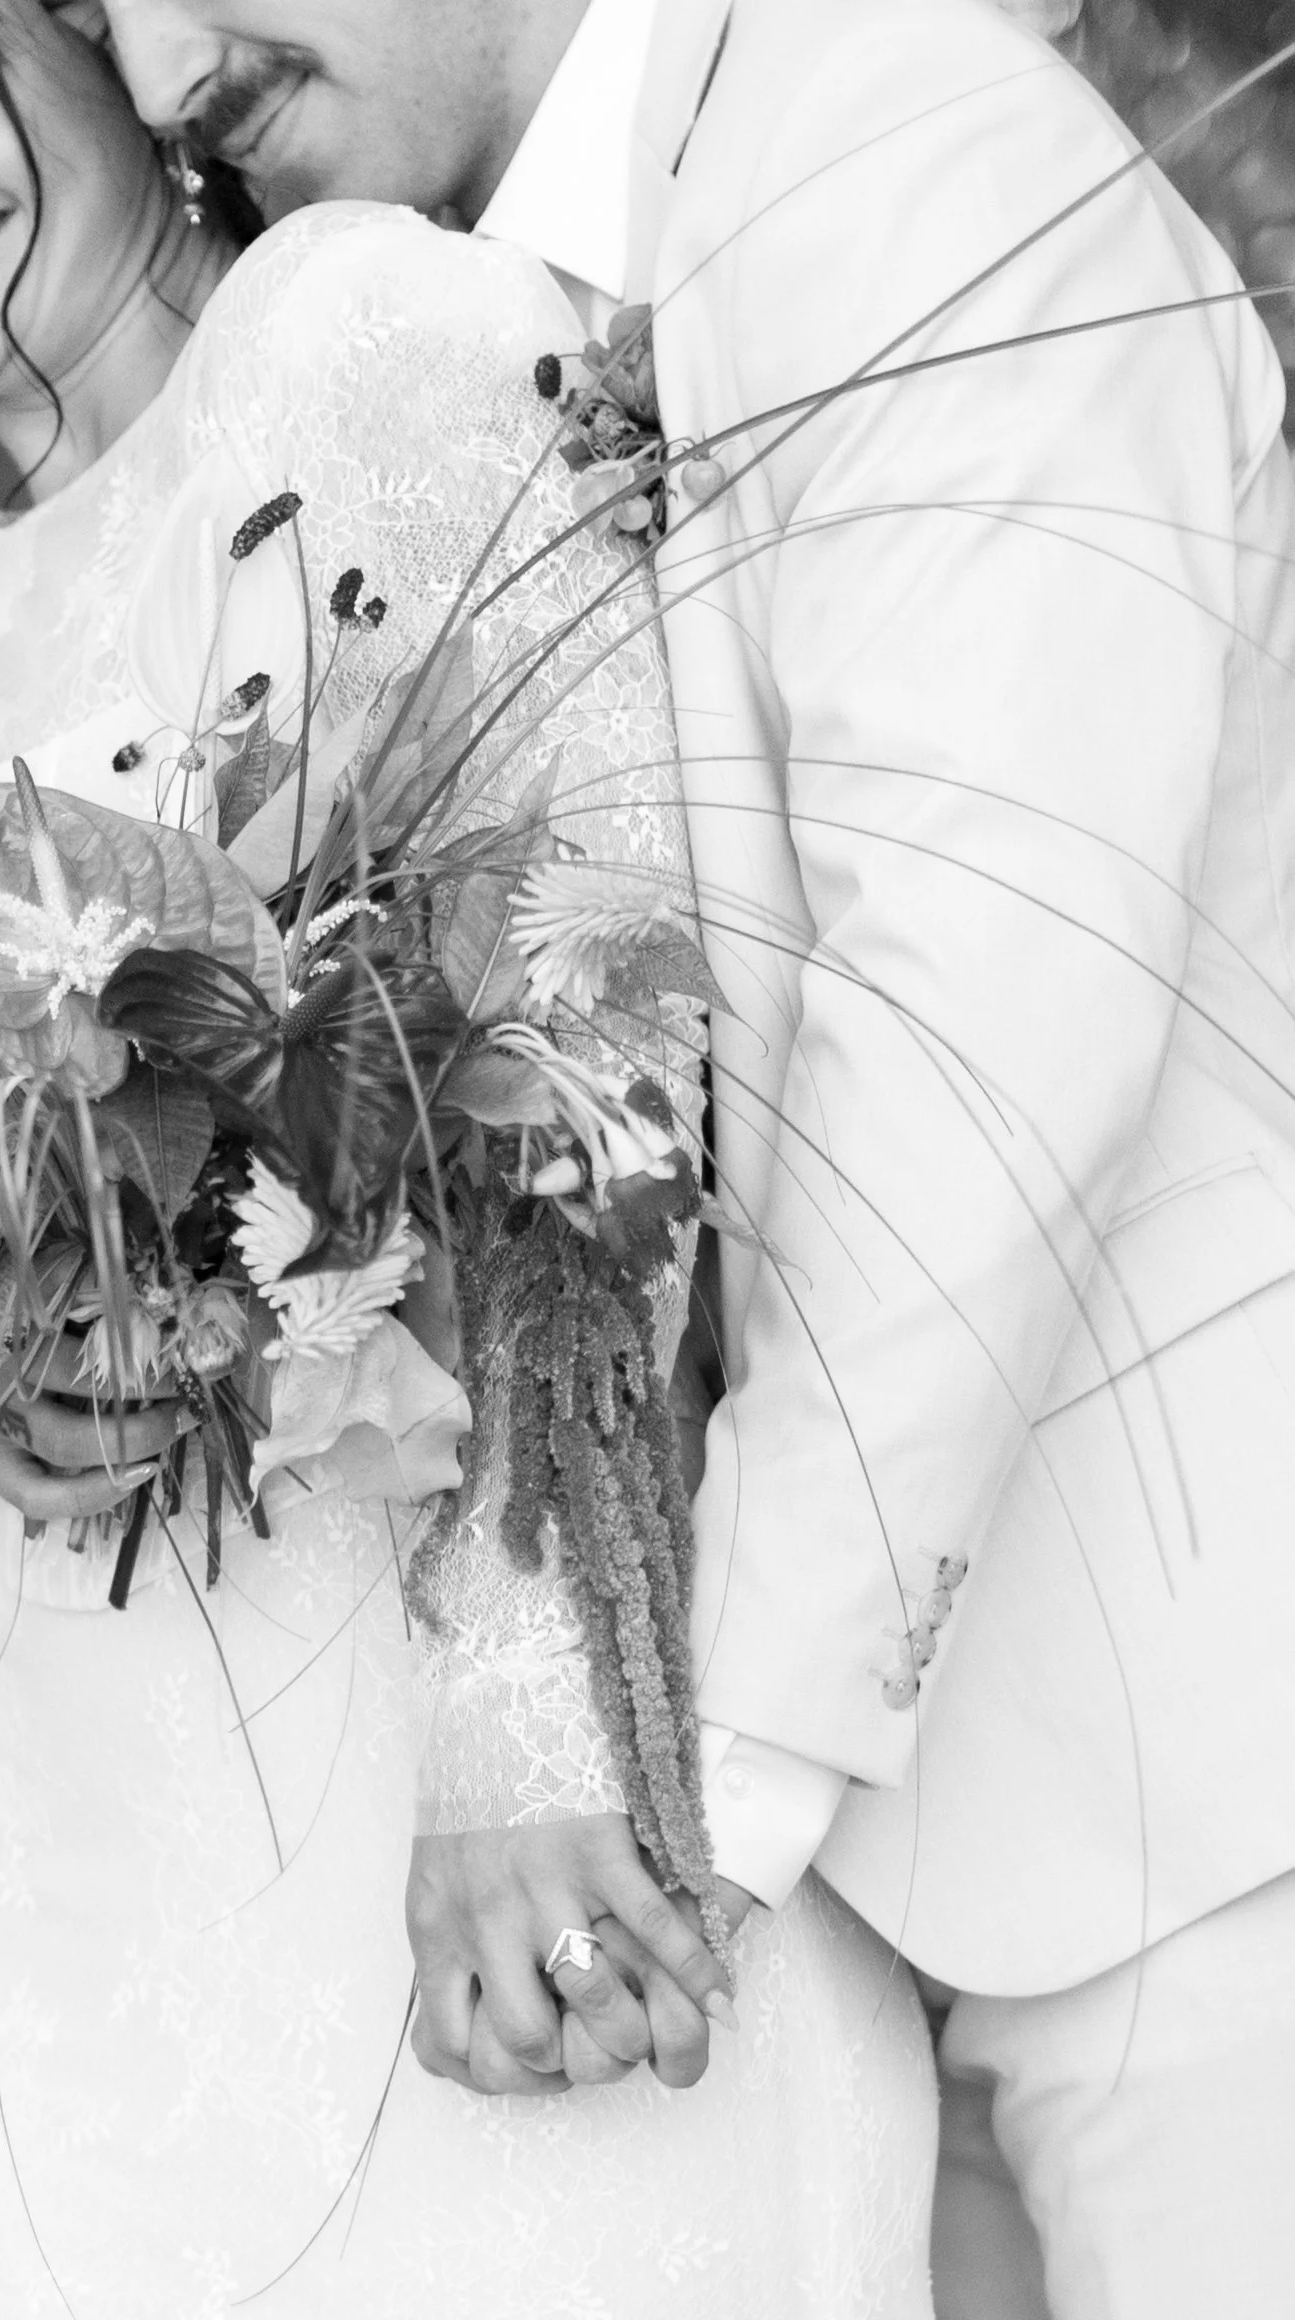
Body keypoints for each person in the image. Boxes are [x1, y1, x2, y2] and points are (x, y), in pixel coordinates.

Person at [0, 0, 938, 2310]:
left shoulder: (363, 328)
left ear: (101, 46)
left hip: (476, 1734)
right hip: (86, 1836)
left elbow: (595, 1015)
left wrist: (527, 1732)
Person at [106, 1, 1295, 2315]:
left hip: (1197, 1789)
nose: (162, 75)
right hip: (895, 1900)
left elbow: (984, 1028)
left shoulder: (911, 147)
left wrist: (681, 1771)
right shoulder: (535, 297)